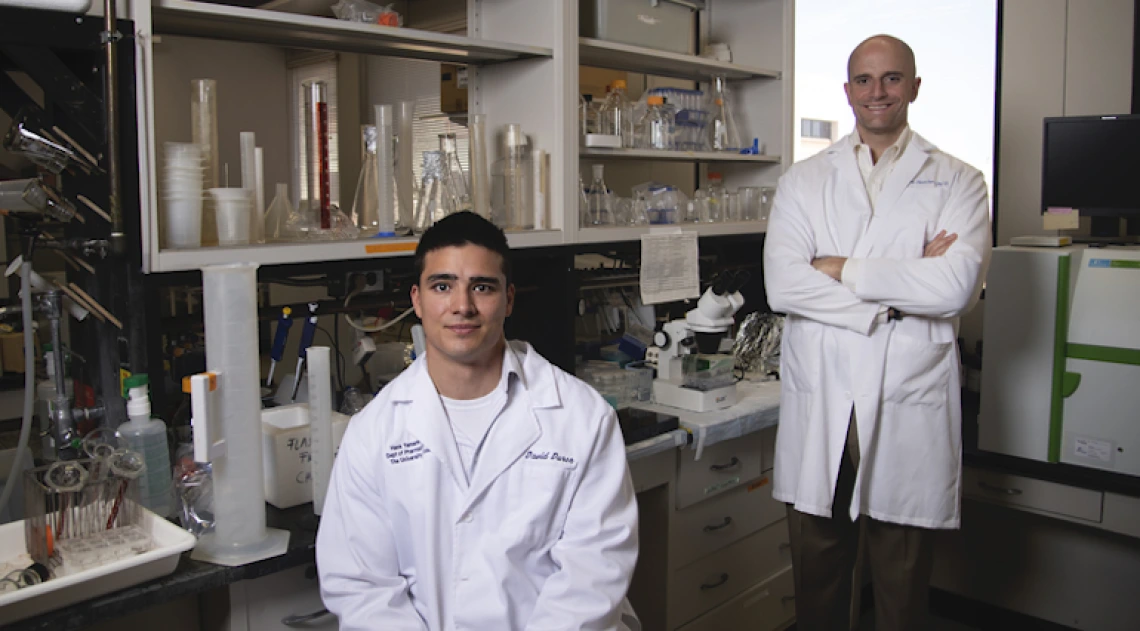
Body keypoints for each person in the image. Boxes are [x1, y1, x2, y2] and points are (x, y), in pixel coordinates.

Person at [763, 35, 992, 630]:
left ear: (914, 87)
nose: (877, 92)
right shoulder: (804, 181)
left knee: (901, 577)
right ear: (847, 91)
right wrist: (893, 295)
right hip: (825, 396)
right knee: (818, 570)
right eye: (864, 80)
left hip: (904, 393)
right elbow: (783, 287)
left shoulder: (959, 181)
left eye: (892, 79)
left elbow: (956, 288)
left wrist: (842, 268)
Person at [317, 211, 640, 630]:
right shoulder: (373, 432)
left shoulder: (582, 418)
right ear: (417, 300)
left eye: (482, 287)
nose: (462, 306)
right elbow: (362, 586)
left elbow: (593, 575)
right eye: (442, 286)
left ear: (508, 299)